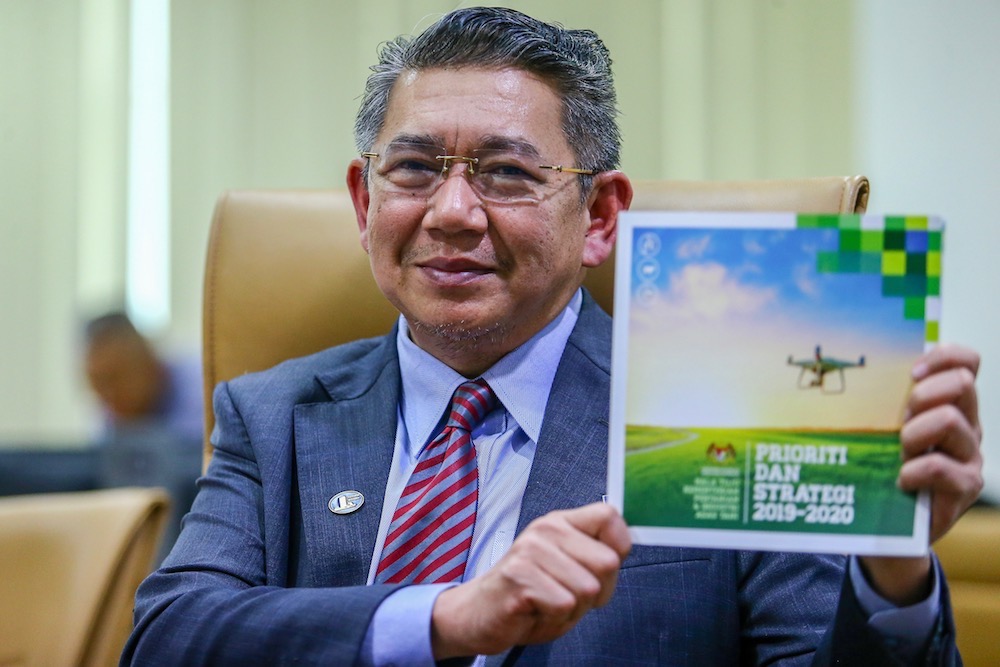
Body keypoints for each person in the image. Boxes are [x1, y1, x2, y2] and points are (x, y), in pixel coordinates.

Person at [122, 7, 983, 665]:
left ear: (601, 215)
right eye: (416, 169)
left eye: (506, 173)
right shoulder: (273, 415)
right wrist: (445, 615)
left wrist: (889, 570)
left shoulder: (727, 403)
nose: (452, 214)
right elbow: (168, 635)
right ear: (364, 200)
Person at [84, 311, 204, 558]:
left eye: (115, 378)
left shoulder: (205, 387)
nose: (108, 396)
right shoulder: (112, 421)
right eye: (96, 384)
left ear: (148, 359)